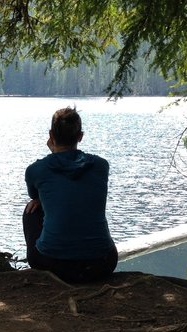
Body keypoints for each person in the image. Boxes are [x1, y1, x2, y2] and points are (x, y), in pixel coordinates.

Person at [23, 106, 118, 283]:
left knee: (32, 209)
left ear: (51, 135)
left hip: (53, 265)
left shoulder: (36, 170)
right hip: (102, 263)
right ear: (80, 136)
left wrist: (54, 154)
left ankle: (49, 254)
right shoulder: (101, 166)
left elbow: (34, 195)